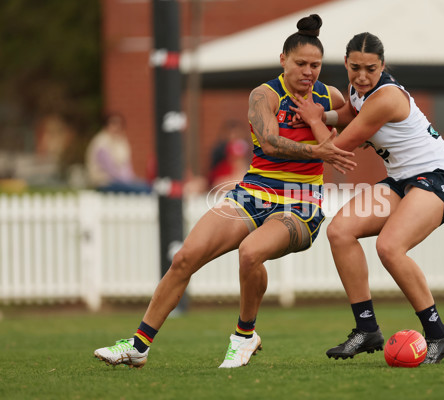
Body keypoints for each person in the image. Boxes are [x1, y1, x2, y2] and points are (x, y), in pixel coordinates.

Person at [93, 14, 355, 369]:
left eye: (316, 65)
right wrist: (317, 149)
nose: (309, 72)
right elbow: (270, 143)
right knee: (185, 257)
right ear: (283, 61)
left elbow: (355, 121)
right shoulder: (265, 95)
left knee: (250, 253)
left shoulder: (330, 95)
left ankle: (244, 336)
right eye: (301, 64)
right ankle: (139, 345)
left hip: (302, 204)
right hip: (253, 193)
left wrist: (325, 122)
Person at [291, 32, 444, 364]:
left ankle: (438, 334)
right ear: (346, 63)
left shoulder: (385, 97)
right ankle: (366, 330)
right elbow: (349, 114)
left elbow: (338, 148)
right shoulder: (360, 91)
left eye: (370, 68)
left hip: (438, 179)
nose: (362, 76)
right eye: (355, 68)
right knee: (340, 232)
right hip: (402, 181)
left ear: (382, 66)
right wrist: (321, 115)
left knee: (389, 247)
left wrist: (312, 120)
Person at [85, 113, 152, 194]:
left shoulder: (121, 141)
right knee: (143, 190)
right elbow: (110, 169)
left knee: (147, 186)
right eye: (113, 123)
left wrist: (131, 179)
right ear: (106, 125)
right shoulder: (101, 142)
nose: (117, 127)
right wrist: (128, 181)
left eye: (119, 124)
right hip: (105, 182)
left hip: (122, 181)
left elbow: (126, 166)